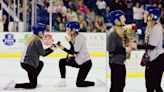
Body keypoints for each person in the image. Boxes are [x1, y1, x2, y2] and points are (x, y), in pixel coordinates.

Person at [3, 23, 56, 90]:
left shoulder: (33, 38)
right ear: (39, 32)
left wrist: (50, 48)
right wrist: (52, 50)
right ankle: (14, 85)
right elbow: (43, 54)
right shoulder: (37, 40)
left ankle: (34, 79)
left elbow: (41, 51)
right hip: (28, 63)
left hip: (27, 62)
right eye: (43, 31)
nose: (44, 33)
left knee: (40, 64)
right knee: (33, 85)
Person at [56, 21, 105, 87]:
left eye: (68, 29)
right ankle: (63, 81)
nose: (66, 31)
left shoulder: (80, 38)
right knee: (62, 61)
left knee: (79, 83)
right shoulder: (75, 37)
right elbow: (73, 51)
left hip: (85, 64)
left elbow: (75, 52)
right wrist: (63, 47)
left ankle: (96, 83)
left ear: (73, 30)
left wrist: (68, 44)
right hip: (79, 60)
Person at [132, 5, 164, 92]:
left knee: (156, 86)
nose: (144, 15)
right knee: (149, 85)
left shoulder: (156, 28)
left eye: (146, 14)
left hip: (157, 60)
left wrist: (137, 46)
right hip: (151, 60)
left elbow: (151, 46)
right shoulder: (149, 26)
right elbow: (147, 43)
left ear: (152, 16)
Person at [107, 10, 134, 92]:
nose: (125, 19)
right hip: (115, 63)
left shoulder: (123, 31)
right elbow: (110, 49)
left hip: (121, 62)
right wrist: (124, 49)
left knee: (121, 85)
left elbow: (126, 51)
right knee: (116, 86)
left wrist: (129, 47)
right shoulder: (112, 34)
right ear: (117, 20)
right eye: (123, 18)